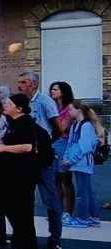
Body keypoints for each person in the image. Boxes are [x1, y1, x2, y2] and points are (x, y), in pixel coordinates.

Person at [16, 71, 62, 249]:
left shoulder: (45, 102)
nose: (20, 85)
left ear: (34, 84)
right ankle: (26, 235)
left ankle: (55, 237)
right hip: (26, 156)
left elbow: (58, 127)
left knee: (49, 197)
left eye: (24, 82)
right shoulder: (23, 102)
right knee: (25, 197)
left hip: (42, 157)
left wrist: (47, 143)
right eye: (19, 82)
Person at [0, 93, 42, 249]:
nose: (6, 105)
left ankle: (26, 247)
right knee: (12, 207)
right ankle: (19, 241)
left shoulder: (25, 123)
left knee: (21, 210)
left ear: (19, 108)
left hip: (23, 173)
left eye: (9, 103)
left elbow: (27, 146)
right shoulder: (13, 123)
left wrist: (4, 148)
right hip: (12, 172)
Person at [60, 103, 103, 228]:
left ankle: (83, 218)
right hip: (78, 162)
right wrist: (67, 158)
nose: (69, 112)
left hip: (83, 163)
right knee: (87, 190)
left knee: (82, 192)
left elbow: (85, 146)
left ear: (79, 110)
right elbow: (70, 144)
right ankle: (94, 217)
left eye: (71, 109)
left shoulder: (86, 126)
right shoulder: (76, 125)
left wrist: (71, 160)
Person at [48, 81, 78, 222]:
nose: (52, 91)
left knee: (65, 177)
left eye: (55, 89)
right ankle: (58, 210)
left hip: (64, 142)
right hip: (53, 142)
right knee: (55, 178)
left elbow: (63, 126)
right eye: (52, 89)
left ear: (63, 92)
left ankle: (68, 211)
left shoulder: (69, 108)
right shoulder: (53, 107)